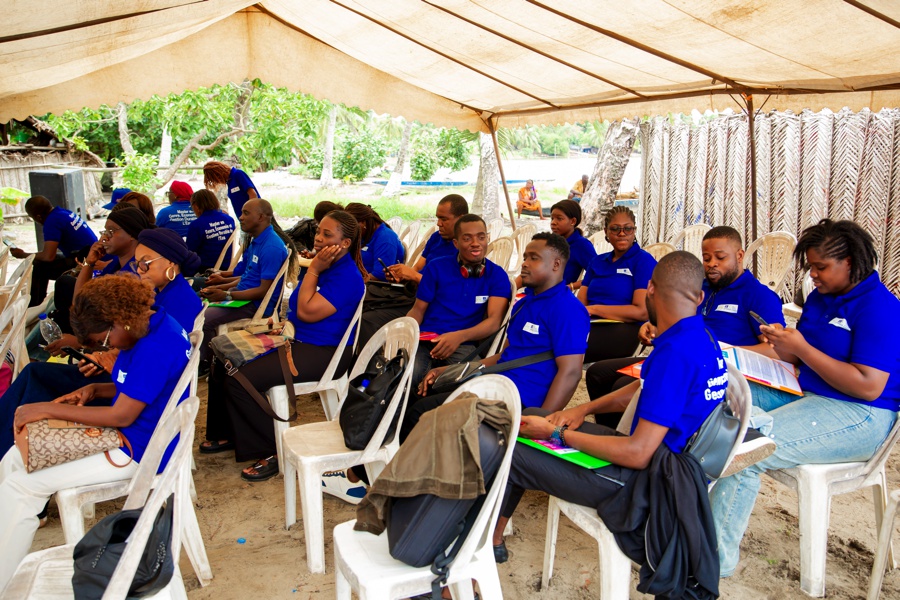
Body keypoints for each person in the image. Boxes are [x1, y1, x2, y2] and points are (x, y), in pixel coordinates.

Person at [492, 252, 724, 599]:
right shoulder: (699, 336)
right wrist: (582, 409)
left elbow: (637, 453)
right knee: (538, 413)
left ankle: (475, 546)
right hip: (660, 462)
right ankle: (493, 536)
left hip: (644, 484)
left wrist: (558, 434)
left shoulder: (675, 353)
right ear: (699, 296)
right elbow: (642, 388)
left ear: (650, 289)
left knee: (510, 448)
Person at [711, 219, 900, 578]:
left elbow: (868, 386)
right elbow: (800, 355)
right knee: (714, 398)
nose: (813, 275)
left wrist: (802, 350)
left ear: (850, 263)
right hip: (808, 392)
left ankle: (712, 561)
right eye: (810, 266)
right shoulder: (820, 297)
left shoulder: (880, 308)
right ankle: (688, 521)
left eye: (820, 267)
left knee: (746, 445)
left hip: (861, 413)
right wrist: (782, 343)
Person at [0, 275, 191, 590]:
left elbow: (121, 415)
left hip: (139, 450)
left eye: (104, 340)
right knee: (14, 457)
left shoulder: (154, 346)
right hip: (133, 435)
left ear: (118, 321)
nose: (108, 347)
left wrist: (46, 409)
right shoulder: (149, 325)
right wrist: (94, 389)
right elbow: (142, 388)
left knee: (23, 487)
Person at [0, 229, 203, 458]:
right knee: (33, 387)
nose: (139, 270)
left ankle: (9, 445)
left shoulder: (160, 332)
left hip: (135, 442)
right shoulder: (155, 315)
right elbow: (143, 382)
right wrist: (95, 387)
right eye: (137, 264)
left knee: (35, 390)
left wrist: (48, 409)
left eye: (145, 264)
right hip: (132, 417)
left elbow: (125, 411)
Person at [202, 210, 366, 481]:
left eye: (327, 234)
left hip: (325, 353)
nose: (318, 238)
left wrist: (313, 270)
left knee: (240, 377)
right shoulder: (326, 267)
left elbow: (306, 312)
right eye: (318, 231)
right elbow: (297, 306)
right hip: (299, 340)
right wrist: (315, 271)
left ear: (345, 243)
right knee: (223, 358)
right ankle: (228, 433)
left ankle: (272, 450)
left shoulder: (346, 276)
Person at [585, 225, 786, 426]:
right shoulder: (699, 287)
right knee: (598, 373)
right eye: (706, 258)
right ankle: (610, 432)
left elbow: (776, 350)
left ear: (740, 256)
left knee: (624, 385)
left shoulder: (759, 296)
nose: (712, 264)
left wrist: (723, 350)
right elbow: (676, 321)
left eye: (720, 257)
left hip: (709, 370)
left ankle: (633, 436)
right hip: (678, 357)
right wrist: (654, 326)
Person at [407, 232, 589, 435]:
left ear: (556, 264)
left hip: (518, 400)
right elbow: (504, 357)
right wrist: (455, 370)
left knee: (420, 413)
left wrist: (542, 421)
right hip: (494, 383)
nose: (525, 263)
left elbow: (571, 372)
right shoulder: (525, 303)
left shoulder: (567, 309)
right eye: (525, 257)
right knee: (420, 393)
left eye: (534, 258)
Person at [408, 214, 511, 390]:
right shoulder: (436, 267)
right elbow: (418, 310)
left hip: (463, 344)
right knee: (410, 377)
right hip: (426, 340)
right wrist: (407, 334)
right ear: (456, 243)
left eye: (481, 237)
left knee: (475, 384)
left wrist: (459, 337)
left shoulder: (497, 275)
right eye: (467, 238)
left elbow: (494, 322)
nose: (476, 243)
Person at [198, 198, 290, 364]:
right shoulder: (257, 240)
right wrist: (221, 286)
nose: (240, 217)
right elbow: (248, 277)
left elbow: (262, 291)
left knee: (203, 319)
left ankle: (209, 364)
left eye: (246, 213)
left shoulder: (271, 247)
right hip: (241, 297)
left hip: (254, 305)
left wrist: (226, 295)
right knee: (196, 305)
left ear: (261, 217)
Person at [49, 206, 152, 339]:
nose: (103, 238)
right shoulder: (115, 264)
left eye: (111, 231)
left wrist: (78, 344)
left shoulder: (135, 272)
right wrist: (89, 263)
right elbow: (79, 302)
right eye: (104, 232)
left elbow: (82, 309)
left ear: (131, 234)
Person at [579, 206, 656, 363]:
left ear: (634, 231)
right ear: (606, 231)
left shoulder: (643, 261)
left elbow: (641, 312)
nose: (622, 233)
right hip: (590, 325)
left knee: (563, 347)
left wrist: (595, 309)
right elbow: (580, 304)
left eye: (628, 228)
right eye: (615, 229)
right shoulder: (597, 261)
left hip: (626, 329)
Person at [14, 195, 98, 307]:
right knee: (40, 261)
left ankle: (34, 305)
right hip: (89, 253)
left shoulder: (51, 222)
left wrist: (22, 254)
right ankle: (35, 303)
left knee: (40, 266)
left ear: (38, 217)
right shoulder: (62, 213)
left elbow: (48, 256)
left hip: (85, 261)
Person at [385, 194, 468, 285]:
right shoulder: (436, 237)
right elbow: (417, 268)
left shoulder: (466, 250)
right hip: (416, 289)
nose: (438, 223)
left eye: (444, 219)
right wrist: (402, 276)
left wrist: (413, 276)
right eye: (438, 218)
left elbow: (447, 286)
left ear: (461, 219)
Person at [343, 202, 404, 281]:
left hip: (375, 284)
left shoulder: (385, 238)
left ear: (363, 222)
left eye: (352, 226)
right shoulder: (365, 234)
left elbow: (380, 275)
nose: (350, 230)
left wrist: (353, 282)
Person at [549, 199, 596, 289]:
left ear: (573, 221)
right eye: (552, 218)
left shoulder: (581, 245)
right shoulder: (550, 241)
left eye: (559, 218)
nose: (553, 222)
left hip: (556, 294)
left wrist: (570, 287)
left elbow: (596, 273)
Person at [186, 189, 236, 272]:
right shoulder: (229, 219)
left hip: (206, 269)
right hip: (228, 266)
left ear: (196, 206)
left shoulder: (197, 225)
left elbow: (190, 252)